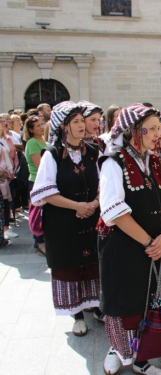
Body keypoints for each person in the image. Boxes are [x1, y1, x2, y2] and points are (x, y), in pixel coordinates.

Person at [99, 103, 161, 375]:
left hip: (158, 245)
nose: (158, 133)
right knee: (127, 300)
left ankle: (141, 358)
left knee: (153, 298)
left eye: (160, 127)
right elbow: (114, 212)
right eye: (152, 127)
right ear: (136, 129)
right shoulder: (114, 162)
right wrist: (149, 241)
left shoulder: (157, 161)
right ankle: (117, 349)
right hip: (126, 248)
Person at [30, 101, 102, 336]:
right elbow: (45, 192)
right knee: (70, 264)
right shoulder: (52, 155)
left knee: (92, 261)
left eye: (83, 120)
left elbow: (106, 184)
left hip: (91, 218)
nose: (82, 125)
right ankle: (76, 314)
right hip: (63, 222)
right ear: (63, 126)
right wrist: (77, 206)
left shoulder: (93, 152)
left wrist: (93, 204)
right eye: (76, 122)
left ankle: (94, 304)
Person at [24, 115, 47, 255]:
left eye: (41, 124)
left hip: (45, 181)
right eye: (37, 126)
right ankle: (39, 243)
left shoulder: (44, 140)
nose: (41, 127)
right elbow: (40, 166)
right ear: (31, 130)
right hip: (36, 180)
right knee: (38, 212)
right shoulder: (32, 143)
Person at [0, 113, 19, 239]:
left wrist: (12, 170)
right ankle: (4, 229)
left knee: (6, 202)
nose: (4, 123)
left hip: (9, 174)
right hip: (2, 175)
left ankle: (6, 228)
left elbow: (13, 156)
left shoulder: (8, 139)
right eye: (1, 121)